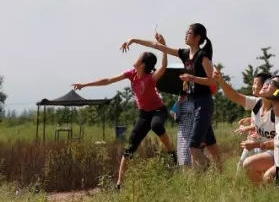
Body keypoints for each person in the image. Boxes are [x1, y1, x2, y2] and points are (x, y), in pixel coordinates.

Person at [73, 37, 176, 190]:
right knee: (130, 147)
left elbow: (164, 66)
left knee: (156, 125)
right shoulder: (131, 74)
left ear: (143, 64)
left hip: (158, 111)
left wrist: (164, 46)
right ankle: (119, 184)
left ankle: (171, 153)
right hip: (144, 114)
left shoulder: (150, 77)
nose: (136, 59)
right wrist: (84, 85)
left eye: (139, 57)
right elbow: (107, 80)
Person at [128, 23, 219, 168]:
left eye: (189, 33)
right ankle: (220, 172)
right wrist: (134, 40)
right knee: (210, 143)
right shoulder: (185, 54)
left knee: (193, 145)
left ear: (197, 37)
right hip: (192, 102)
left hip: (203, 103)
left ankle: (201, 174)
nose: (186, 35)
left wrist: (192, 78)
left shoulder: (203, 57)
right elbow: (156, 46)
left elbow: (213, 81)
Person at [213, 70, 274, 182]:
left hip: (274, 150)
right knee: (242, 169)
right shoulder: (257, 103)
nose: (253, 86)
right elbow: (234, 96)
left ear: (266, 86)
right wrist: (221, 81)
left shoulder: (278, 109)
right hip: (256, 144)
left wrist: (250, 129)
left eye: (255, 83)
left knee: (260, 173)